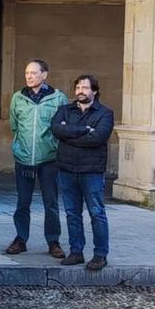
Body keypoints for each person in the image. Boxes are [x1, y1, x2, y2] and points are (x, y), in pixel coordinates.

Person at [5, 59, 68, 258]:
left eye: (33, 73)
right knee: (23, 202)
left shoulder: (58, 98)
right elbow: (14, 125)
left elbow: (63, 127)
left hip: (49, 159)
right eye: (27, 73)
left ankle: (53, 241)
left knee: (51, 203)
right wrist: (19, 147)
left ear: (44, 74)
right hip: (24, 158)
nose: (29, 76)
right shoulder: (18, 97)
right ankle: (20, 239)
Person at [51, 75, 114, 271]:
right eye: (78, 87)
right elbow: (56, 130)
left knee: (97, 213)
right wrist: (85, 130)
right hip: (67, 169)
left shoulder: (105, 113)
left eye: (85, 88)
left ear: (94, 91)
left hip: (91, 171)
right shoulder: (64, 110)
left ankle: (100, 255)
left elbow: (98, 138)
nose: (81, 91)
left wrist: (69, 134)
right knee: (72, 213)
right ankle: (76, 252)